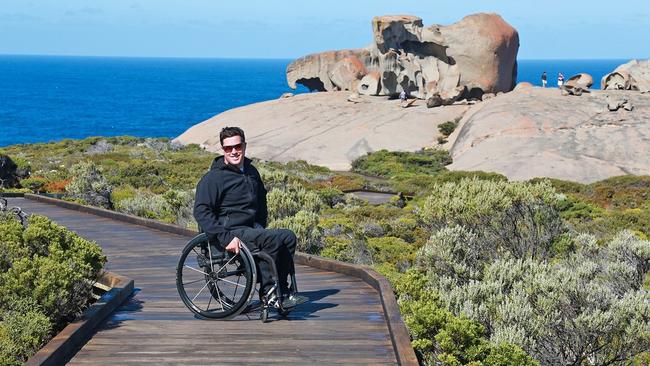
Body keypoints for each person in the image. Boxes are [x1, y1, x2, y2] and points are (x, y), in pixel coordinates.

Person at [193, 126, 305, 309]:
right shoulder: (213, 178)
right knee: (271, 239)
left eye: (237, 146)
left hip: (250, 229)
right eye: (228, 148)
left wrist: (260, 224)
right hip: (230, 233)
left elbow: (261, 202)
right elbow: (201, 211)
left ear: (244, 146)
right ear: (223, 150)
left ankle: (282, 290)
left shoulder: (252, 172)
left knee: (288, 236)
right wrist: (225, 237)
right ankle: (269, 294)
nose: (234, 151)